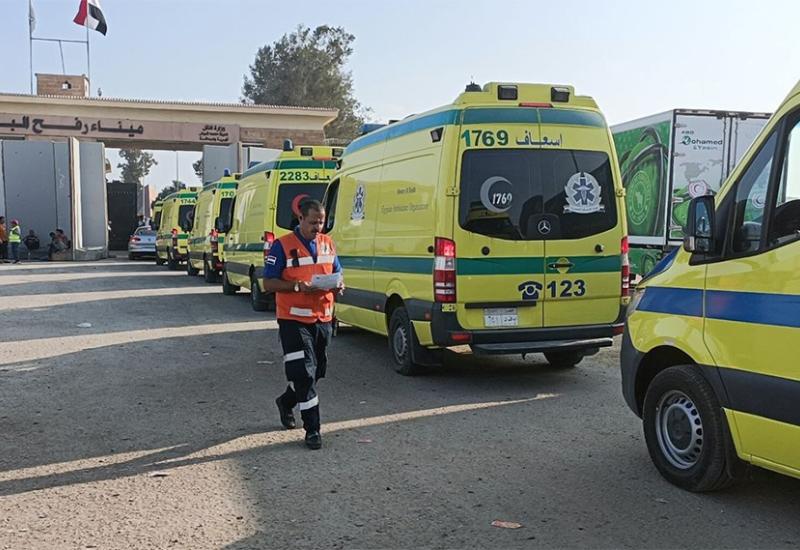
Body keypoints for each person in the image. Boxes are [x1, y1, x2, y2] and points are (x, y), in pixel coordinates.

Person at [263, 199, 345, 450]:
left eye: (321, 222)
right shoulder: (282, 245)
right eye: (313, 222)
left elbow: (337, 272)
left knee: (317, 371)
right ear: (300, 219)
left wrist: (339, 285)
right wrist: (297, 285)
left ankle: (286, 402)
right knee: (304, 373)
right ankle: (313, 429)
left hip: (322, 318)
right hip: (293, 320)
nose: (318, 227)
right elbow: (268, 284)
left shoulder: (327, 243)